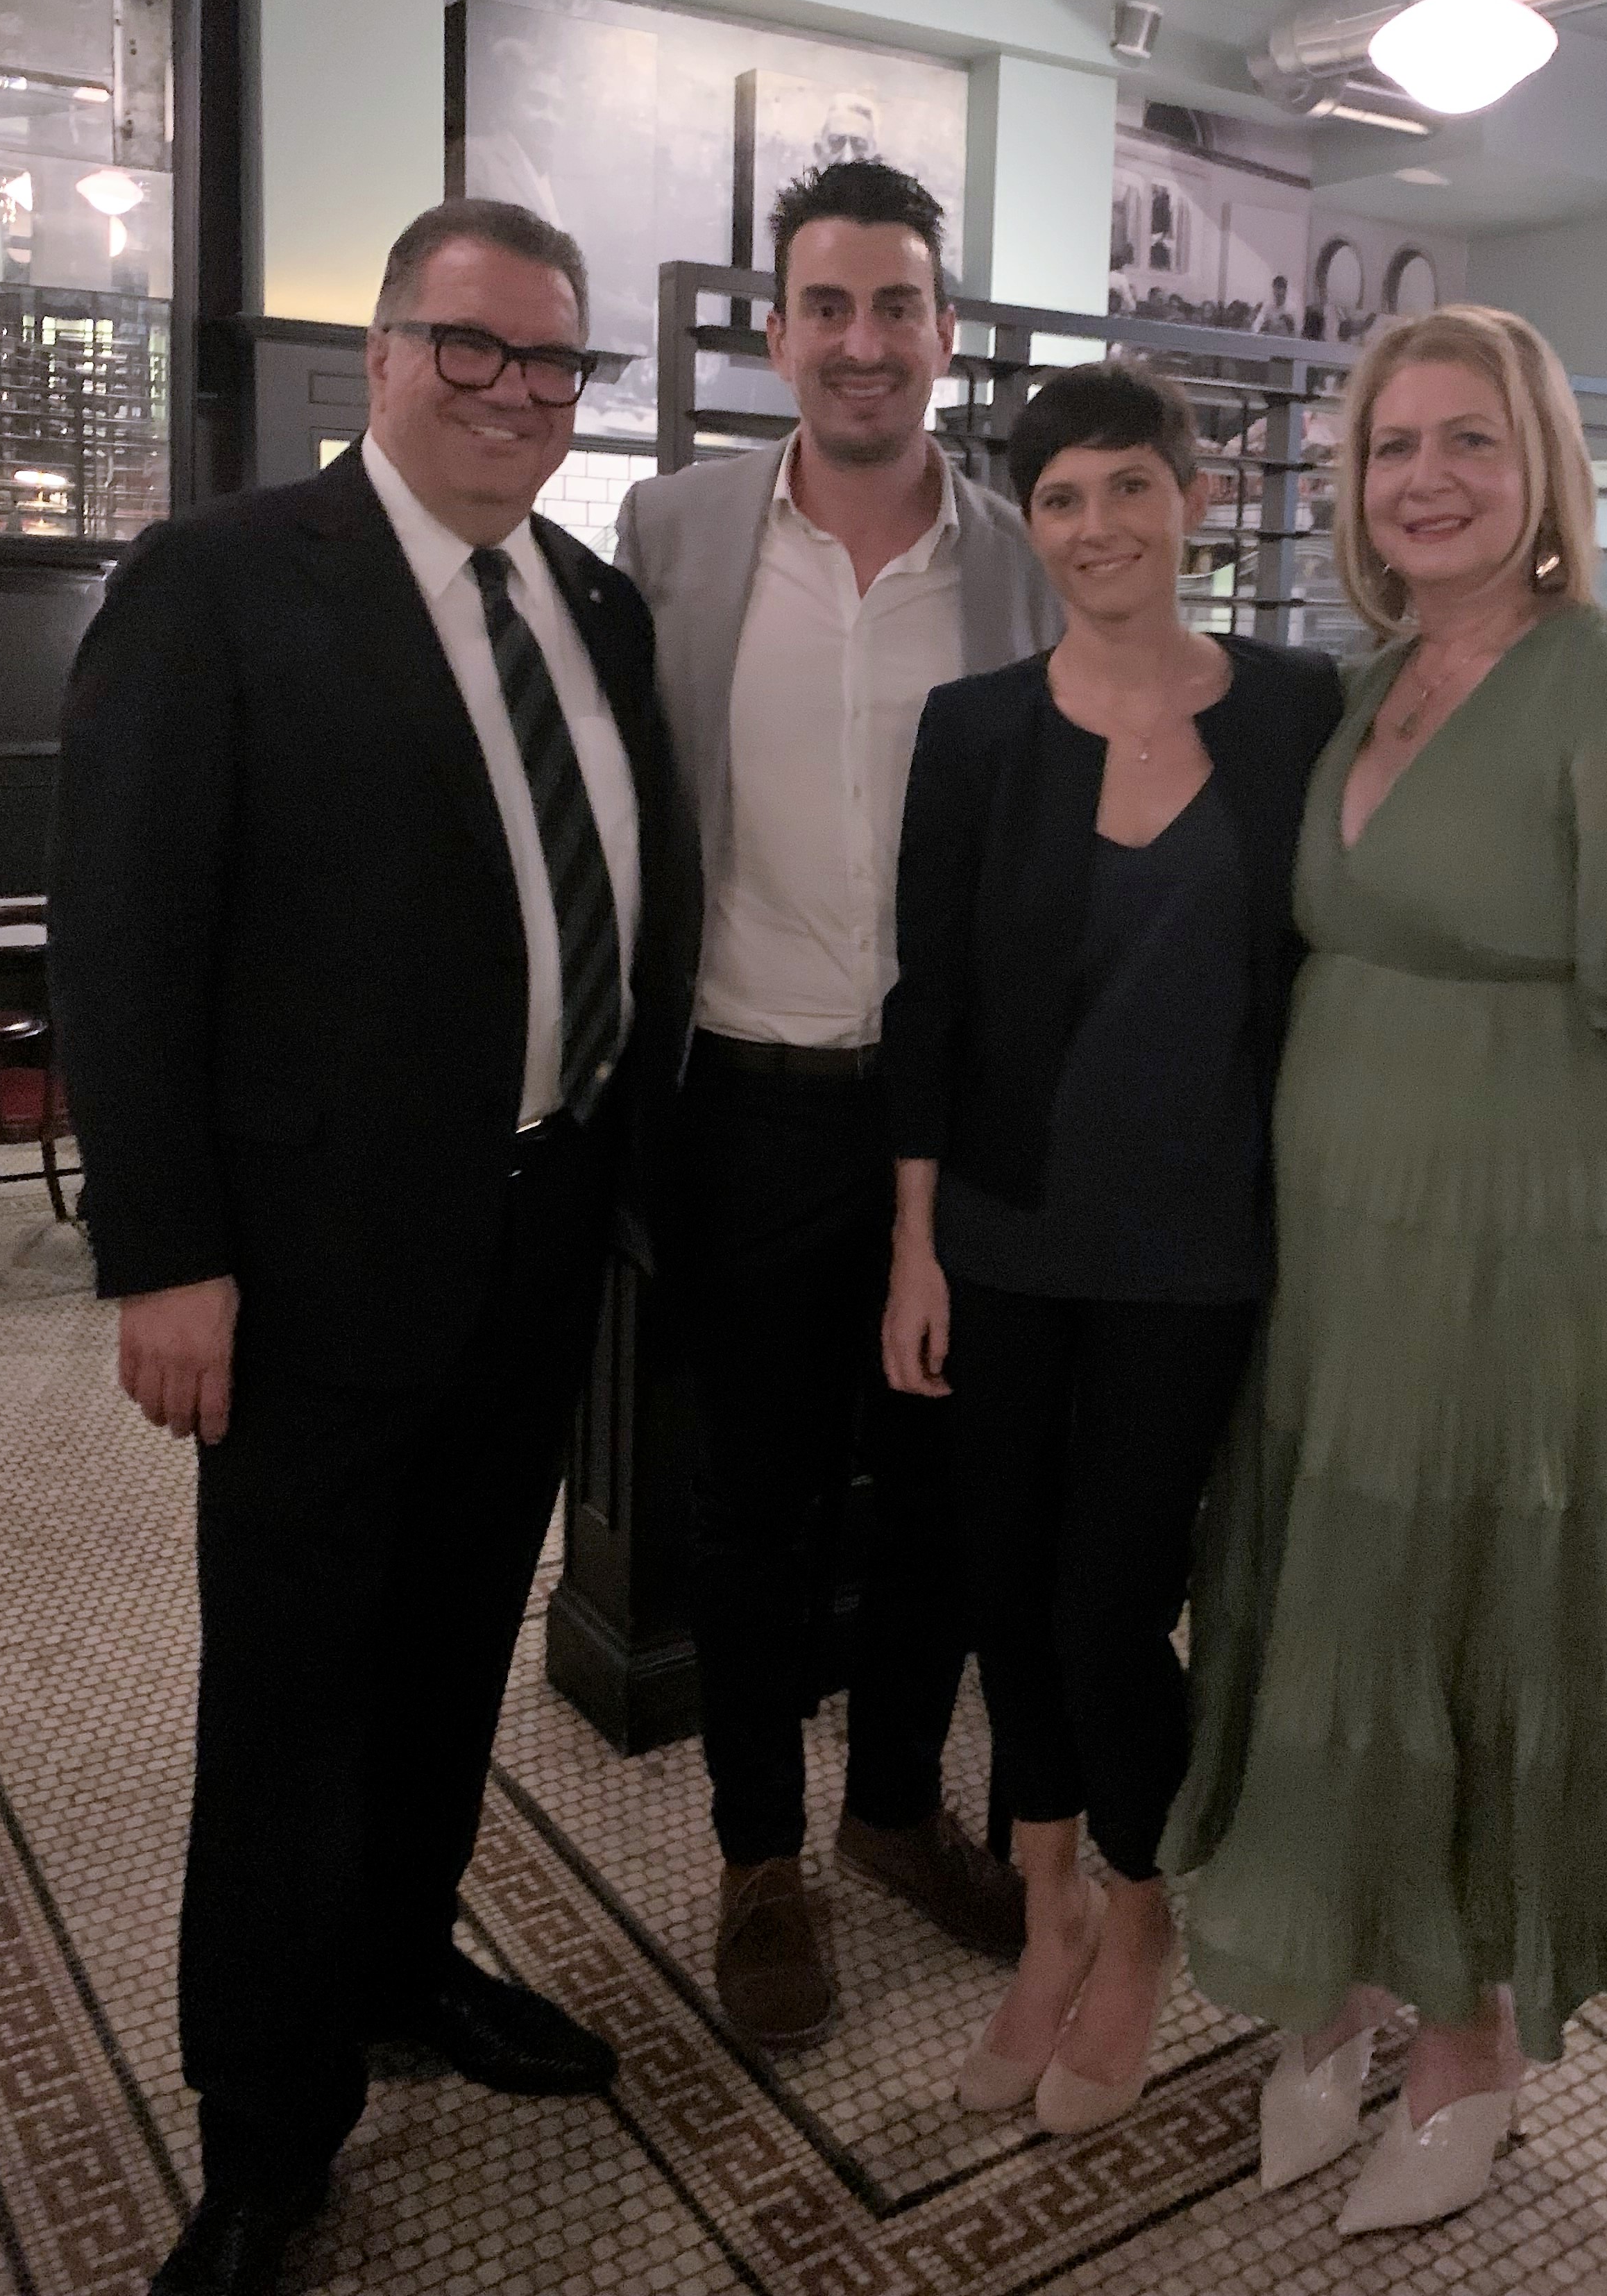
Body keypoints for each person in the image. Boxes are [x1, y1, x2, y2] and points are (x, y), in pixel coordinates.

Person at [51, 199, 697, 2296]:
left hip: (541, 1230)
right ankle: (266, 2134)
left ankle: (406, 1965)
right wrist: (164, 1255)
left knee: (449, 1657)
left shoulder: (595, 606)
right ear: (388, 349)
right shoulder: (222, 582)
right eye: (473, 346)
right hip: (310, 1265)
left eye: (554, 361)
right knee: (291, 1702)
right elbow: (124, 938)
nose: (516, 392)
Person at [1161, 305, 1607, 2236]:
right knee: (1343, 1597)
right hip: (1338, 1256)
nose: (1428, 479)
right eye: (1393, 446)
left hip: (1520, 1248)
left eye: (1470, 439)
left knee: (1475, 1613)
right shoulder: (1371, 684)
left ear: (1542, 467)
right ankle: (1349, 1964)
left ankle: (1471, 2032)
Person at [614, 158, 1055, 2049]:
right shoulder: (673, 532)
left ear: (946, 334)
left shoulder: (1029, 559)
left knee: (943, 1495)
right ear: (777, 331)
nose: (862, 341)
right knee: (754, 1504)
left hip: (959, 1117)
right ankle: (758, 1857)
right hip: (749, 1105)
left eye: (897, 307)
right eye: (827, 307)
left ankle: (889, 1808)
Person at [880, 364, 1340, 2134]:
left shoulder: (1298, 711)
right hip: (1002, 1233)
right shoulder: (977, 729)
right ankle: (1049, 1904)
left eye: (1130, 487)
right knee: (1008, 1586)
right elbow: (926, 1002)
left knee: (1108, 1599)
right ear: (1033, 523)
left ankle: (1140, 1909)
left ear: (1196, 500)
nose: (1098, 527)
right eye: (1063, 498)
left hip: (1197, 1247)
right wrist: (916, 1248)